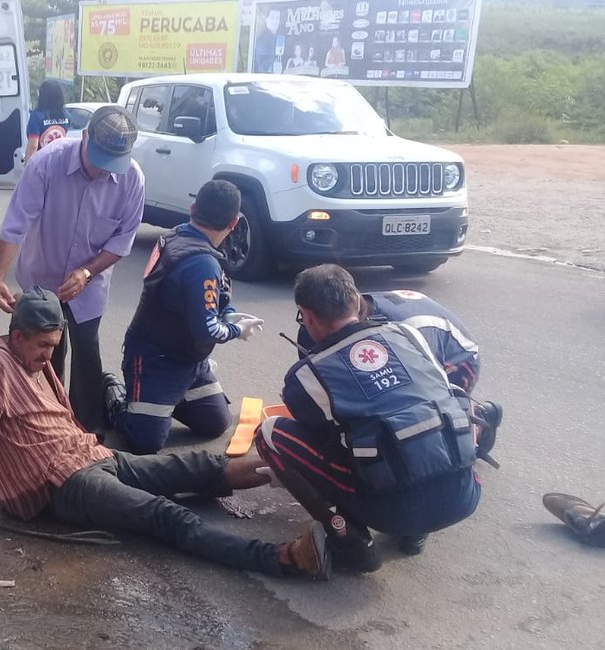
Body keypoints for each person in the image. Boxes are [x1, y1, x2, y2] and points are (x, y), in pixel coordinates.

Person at [0, 288, 330, 581]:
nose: (47, 356)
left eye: (53, 346)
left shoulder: (33, 363)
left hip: (91, 456)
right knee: (164, 514)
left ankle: (299, 473)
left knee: (198, 465)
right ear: (16, 335)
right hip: (64, 483)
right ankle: (283, 559)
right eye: (41, 346)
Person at [254, 265, 499, 572]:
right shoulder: (408, 334)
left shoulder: (305, 376)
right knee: (427, 410)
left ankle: (350, 540)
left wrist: (291, 472)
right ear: (356, 301)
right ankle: (416, 529)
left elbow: (325, 447)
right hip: (466, 494)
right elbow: (451, 398)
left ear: (307, 315)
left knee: (269, 433)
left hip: (391, 513)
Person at [0, 105, 145, 431]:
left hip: (89, 286)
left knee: (88, 353)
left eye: (110, 166)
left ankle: (86, 430)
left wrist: (87, 272)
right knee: (42, 355)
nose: (102, 172)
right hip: (41, 278)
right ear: (84, 136)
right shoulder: (46, 163)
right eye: (98, 160)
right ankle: (43, 423)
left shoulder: (132, 179)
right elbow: (15, 224)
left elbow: (122, 241)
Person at [103, 181, 264, 453]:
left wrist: (231, 313)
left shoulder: (177, 236)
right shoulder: (202, 262)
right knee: (146, 442)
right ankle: (117, 396)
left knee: (215, 422)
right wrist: (237, 330)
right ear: (234, 223)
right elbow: (208, 330)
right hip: (156, 359)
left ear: (192, 208)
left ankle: (164, 401)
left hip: (189, 358)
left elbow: (219, 295)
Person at [297, 289, 483, 394]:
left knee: (406, 411)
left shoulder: (401, 334)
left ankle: (477, 422)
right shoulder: (342, 309)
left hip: (458, 362)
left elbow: (423, 382)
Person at [24, 80, 70, 162]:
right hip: (59, 161)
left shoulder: (37, 117)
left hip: (42, 162)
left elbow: (33, 146)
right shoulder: (66, 115)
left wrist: (28, 168)